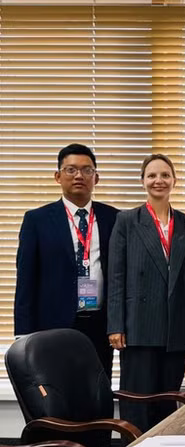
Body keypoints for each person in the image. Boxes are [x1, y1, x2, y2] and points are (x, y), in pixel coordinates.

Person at [107, 154, 185, 432]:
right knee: (138, 401)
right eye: (152, 175)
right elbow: (116, 277)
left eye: (165, 175)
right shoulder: (126, 221)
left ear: (174, 180)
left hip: (177, 326)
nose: (158, 181)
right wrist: (115, 325)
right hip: (138, 325)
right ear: (142, 181)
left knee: (167, 400)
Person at [14, 143, 119, 379]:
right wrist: (23, 334)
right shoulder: (37, 220)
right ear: (58, 176)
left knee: (97, 394)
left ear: (96, 178)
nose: (79, 175)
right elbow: (26, 279)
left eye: (86, 170)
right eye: (71, 170)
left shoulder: (114, 218)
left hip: (100, 325)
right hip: (53, 325)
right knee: (58, 397)